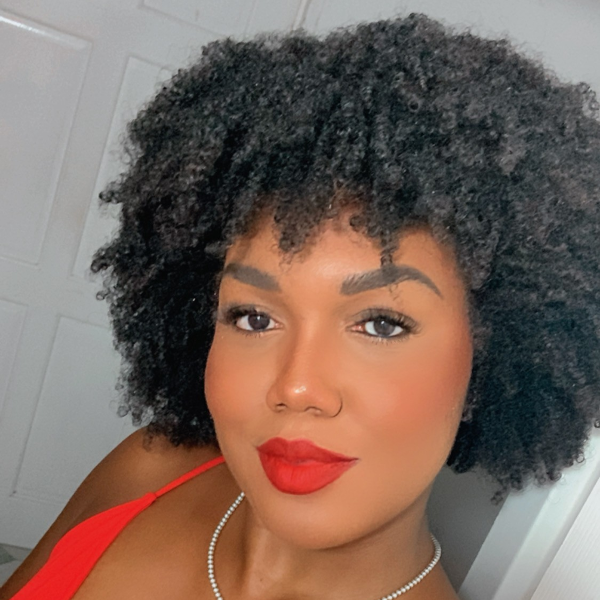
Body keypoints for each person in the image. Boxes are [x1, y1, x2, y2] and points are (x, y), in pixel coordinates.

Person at [2, 12, 600, 600]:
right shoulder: (149, 466)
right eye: (253, 317)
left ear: (491, 364)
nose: (296, 386)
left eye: (381, 324)